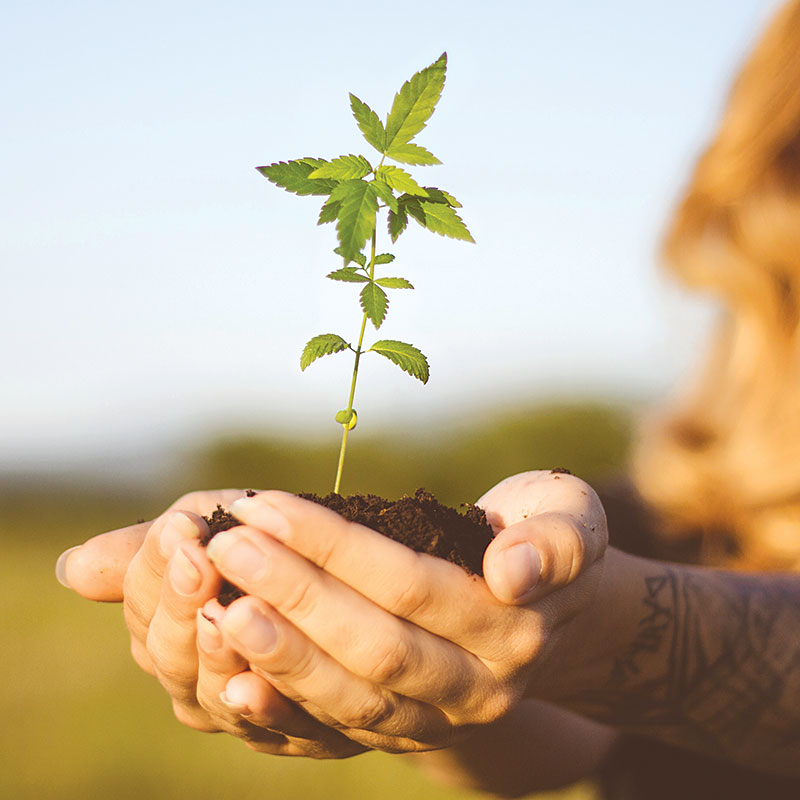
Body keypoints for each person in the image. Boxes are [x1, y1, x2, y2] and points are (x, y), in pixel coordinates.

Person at [56, 1, 800, 797]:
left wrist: (600, 626)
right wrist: (426, 665)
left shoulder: (638, 559)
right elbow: (550, 741)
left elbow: (596, 640)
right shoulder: (677, 516)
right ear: (773, 183)